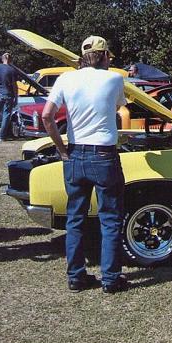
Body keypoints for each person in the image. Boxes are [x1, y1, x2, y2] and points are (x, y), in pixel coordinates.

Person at [41, 35, 129, 294]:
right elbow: (120, 110)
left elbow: (47, 116)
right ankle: (111, 279)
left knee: (75, 218)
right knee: (110, 219)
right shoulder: (113, 78)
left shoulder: (66, 79)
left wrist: (61, 149)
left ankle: (76, 277)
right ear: (104, 56)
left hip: (75, 155)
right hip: (104, 156)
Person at [0, 53, 18, 142]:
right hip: (8, 94)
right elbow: (14, 86)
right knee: (6, 115)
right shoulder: (12, 70)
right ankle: (1, 137)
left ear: (2, 59)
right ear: (10, 59)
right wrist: (16, 97)